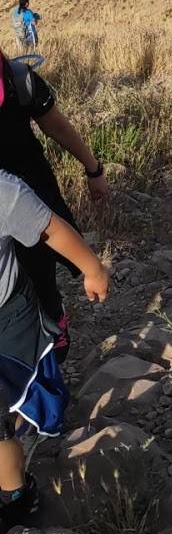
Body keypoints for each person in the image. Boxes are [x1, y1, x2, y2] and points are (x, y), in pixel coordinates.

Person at [0, 170, 110, 528]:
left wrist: (91, 267)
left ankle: (16, 496)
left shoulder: (3, 189)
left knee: (5, 417)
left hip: (7, 315)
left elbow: (49, 227)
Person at [0, 49, 110, 356]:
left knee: (40, 269)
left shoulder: (18, 79)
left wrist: (94, 169)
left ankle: (52, 333)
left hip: (29, 193)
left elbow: (56, 125)